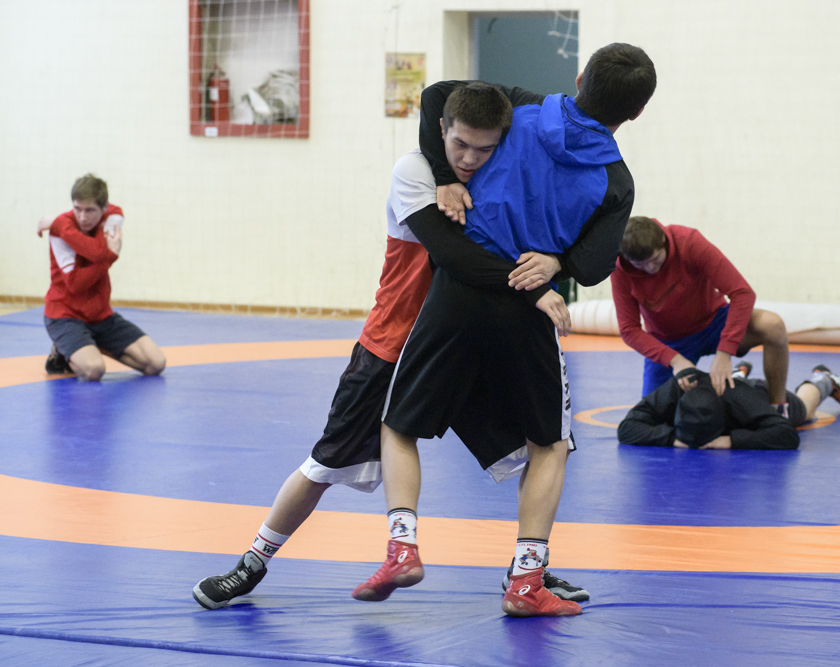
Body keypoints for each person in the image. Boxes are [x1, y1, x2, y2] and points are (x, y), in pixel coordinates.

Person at [192, 83, 587, 611]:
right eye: (460, 146)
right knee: (324, 465)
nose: (470, 159)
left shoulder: (500, 171)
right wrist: (535, 282)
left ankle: (527, 570)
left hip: (468, 345)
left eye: (484, 148)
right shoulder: (414, 172)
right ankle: (252, 562)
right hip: (395, 343)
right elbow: (452, 255)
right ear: (441, 131)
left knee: (543, 448)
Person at [354, 43, 656, 617]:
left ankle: (402, 546)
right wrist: (559, 262)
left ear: (579, 78)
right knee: (550, 446)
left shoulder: (522, 108)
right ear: (636, 113)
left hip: (458, 293)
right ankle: (525, 581)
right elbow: (596, 266)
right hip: (529, 304)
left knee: (399, 425)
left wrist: (445, 175)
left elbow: (436, 97)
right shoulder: (616, 181)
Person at [611, 215, 791, 412]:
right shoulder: (619, 268)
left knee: (772, 325)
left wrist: (725, 352)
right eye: (640, 265)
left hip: (714, 323)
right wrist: (675, 360)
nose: (650, 268)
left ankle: (779, 406)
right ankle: (739, 375)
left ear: (663, 240)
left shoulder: (688, 242)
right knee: (655, 414)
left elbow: (742, 292)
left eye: (655, 259)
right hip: (669, 342)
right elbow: (628, 330)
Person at [38, 174, 165, 382]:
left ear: (104, 208)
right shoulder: (59, 230)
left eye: (90, 210)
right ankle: (63, 351)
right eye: (77, 209)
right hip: (64, 314)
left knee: (156, 363)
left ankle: (90, 344)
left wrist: (61, 227)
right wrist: (108, 257)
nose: (82, 217)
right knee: (93, 370)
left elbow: (99, 249)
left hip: (100, 315)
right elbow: (75, 284)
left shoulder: (112, 217)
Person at [617, 362, 840, 449]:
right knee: (729, 382)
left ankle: (823, 379)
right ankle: (736, 372)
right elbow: (627, 428)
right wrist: (673, 438)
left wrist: (732, 440)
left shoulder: (744, 401)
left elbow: (786, 434)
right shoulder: (679, 387)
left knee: (803, 411)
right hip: (723, 387)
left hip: (756, 392)